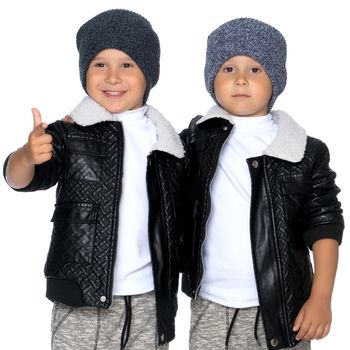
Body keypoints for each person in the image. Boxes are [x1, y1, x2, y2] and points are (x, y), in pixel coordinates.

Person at [3, 9, 184, 350]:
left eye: (127, 65)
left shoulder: (168, 142)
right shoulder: (70, 133)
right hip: (81, 299)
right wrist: (27, 156)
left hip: (148, 299)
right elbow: (20, 179)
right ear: (84, 72)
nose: (113, 76)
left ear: (149, 74)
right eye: (100, 64)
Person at [180, 18, 344, 350]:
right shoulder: (194, 140)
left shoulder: (302, 150)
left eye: (255, 69)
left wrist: (322, 297)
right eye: (228, 69)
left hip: (284, 312)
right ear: (212, 78)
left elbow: (324, 224)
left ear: (275, 79)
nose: (241, 79)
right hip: (210, 307)